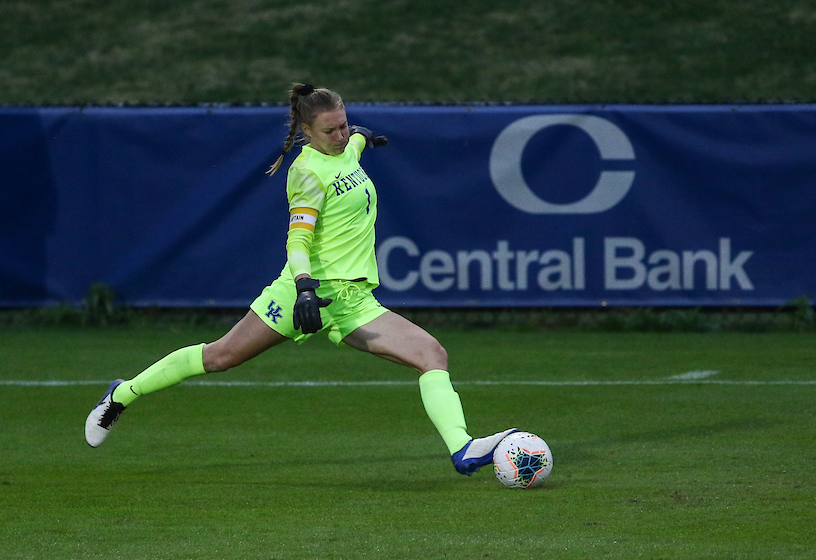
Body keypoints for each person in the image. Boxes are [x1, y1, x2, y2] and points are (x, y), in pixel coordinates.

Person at [85, 83, 514, 475]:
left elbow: (359, 139)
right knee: (220, 357)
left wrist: (364, 135)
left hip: (353, 301)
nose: (341, 136)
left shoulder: (349, 146)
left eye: (344, 125)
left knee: (431, 354)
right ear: (307, 131)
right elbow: (297, 240)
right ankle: (122, 394)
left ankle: (462, 449)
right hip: (302, 293)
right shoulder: (307, 173)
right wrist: (305, 286)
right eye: (330, 131)